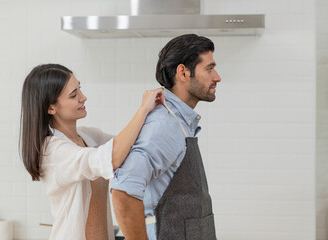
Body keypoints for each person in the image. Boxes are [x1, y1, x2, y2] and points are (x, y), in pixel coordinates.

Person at [19, 64, 164, 240]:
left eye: (79, 88)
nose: (83, 97)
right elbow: (113, 158)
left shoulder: (89, 137)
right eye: (74, 95)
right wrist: (143, 109)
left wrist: (158, 112)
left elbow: (132, 145)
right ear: (51, 108)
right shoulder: (53, 151)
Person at [111, 34, 221, 240]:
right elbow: (123, 192)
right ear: (183, 72)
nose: (217, 77)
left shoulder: (180, 122)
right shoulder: (164, 124)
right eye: (209, 68)